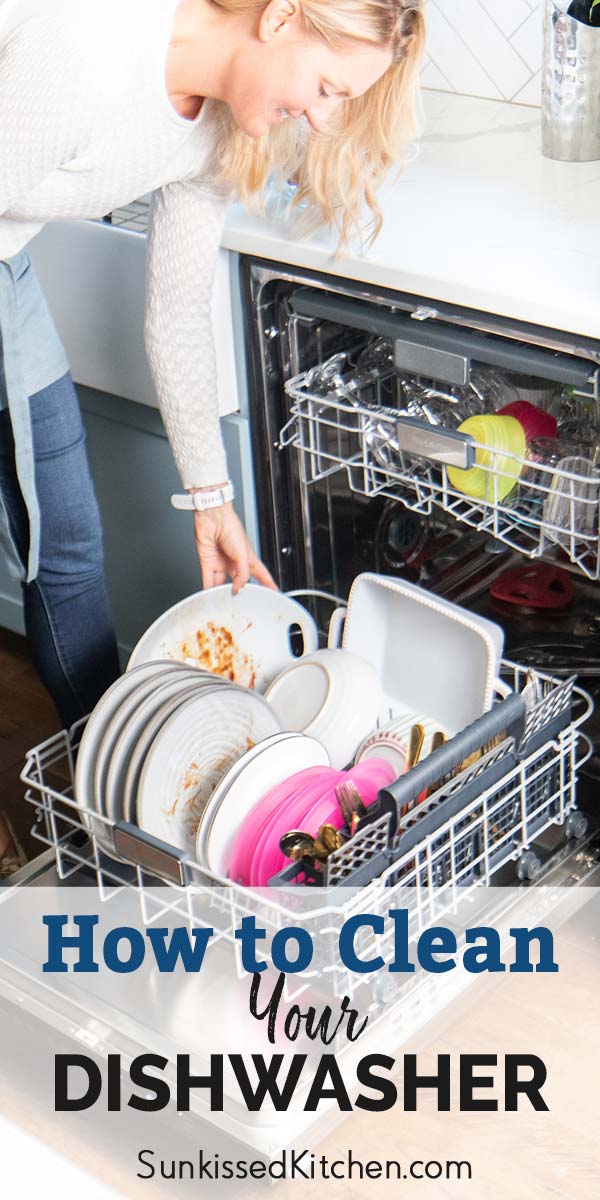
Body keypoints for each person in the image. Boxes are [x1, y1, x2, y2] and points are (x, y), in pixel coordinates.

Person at [0, 0, 425, 870]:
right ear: (280, 20)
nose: (324, 115)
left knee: (70, 542)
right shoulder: (90, 46)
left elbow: (180, 308)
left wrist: (211, 497)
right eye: (328, 86)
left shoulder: (221, 128)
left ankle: (113, 812)